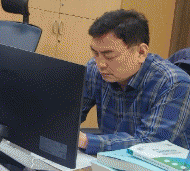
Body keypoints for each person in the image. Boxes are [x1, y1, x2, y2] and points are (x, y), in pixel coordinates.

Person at [79, 9, 190, 154]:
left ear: (141, 52)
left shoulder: (174, 83)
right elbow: (70, 113)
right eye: (95, 53)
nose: (100, 64)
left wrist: (87, 141)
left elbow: (150, 144)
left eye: (109, 56)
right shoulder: (95, 68)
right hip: (108, 158)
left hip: (160, 164)